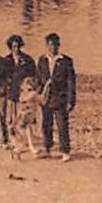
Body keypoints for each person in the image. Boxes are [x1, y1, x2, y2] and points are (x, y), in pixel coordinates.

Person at [36, 32, 77, 161]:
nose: (53, 47)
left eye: (55, 45)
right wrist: (37, 95)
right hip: (46, 97)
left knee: (62, 125)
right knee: (46, 124)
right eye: (50, 45)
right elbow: (38, 79)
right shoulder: (42, 60)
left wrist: (71, 100)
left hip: (60, 97)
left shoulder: (66, 61)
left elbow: (71, 82)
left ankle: (65, 151)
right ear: (47, 45)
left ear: (59, 45)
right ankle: (47, 147)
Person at [4, 34, 35, 140]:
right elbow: (3, 77)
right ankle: (12, 140)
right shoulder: (6, 60)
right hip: (11, 93)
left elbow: (33, 76)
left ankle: (25, 140)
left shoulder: (28, 59)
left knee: (24, 118)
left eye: (17, 46)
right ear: (10, 47)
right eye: (13, 47)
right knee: (10, 118)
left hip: (24, 94)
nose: (16, 49)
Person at [12, 74, 44, 158]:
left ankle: (28, 147)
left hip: (26, 116)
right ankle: (18, 149)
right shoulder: (31, 94)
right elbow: (41, 100)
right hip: (25, 116)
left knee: (27, 131)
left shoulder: (26, 94)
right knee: (24, 135)